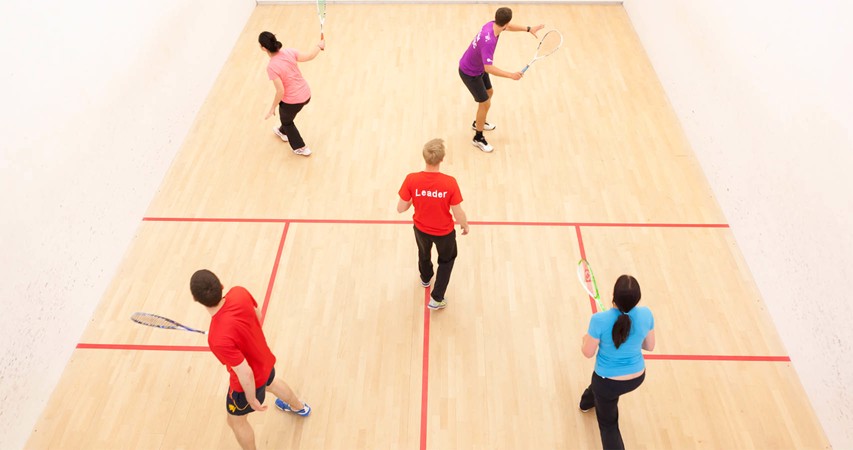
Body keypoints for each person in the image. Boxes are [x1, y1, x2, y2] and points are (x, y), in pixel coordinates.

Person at [190, 269, 310, 450]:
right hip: (264, 360)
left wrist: (251, 397)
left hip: (244, 386)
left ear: (195, 299)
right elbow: (257, 315)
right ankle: (299, 407)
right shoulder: (239, 292)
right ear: (221, 285)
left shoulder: (217, 338)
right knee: (272, 382)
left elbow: (244, 371)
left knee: (235, 422)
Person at [578, 274, 656, 450]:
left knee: (609, 426)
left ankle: (589, 401)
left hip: (607, 382)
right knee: (600, 391)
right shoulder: (646, 314)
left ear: (613, 296)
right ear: (638, 298)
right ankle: (586, 402)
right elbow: (649, 346)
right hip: (636, 377)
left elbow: (587, 353)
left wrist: (585, 339)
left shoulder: (599, 320)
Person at [397, 138, 469, 310]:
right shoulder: (449, 183)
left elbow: (401, 208)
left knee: (423, 252)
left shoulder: (411, 179)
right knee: (446, 260)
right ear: (442, 159)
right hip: (444, 233)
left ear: (424, 157)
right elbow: (457, 212)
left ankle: (425, 277)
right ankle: (436, 298)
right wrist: (464, 224)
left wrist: (415, 198)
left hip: (421, 229)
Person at [458, 7, 544, 153]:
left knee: (489, 92)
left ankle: (478, 122)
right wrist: (511, 75)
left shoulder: (491, 24)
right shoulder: (489, 41)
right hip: (470, 72)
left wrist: (529, 29)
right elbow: (489, 68)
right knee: (484, 102)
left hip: (477, 68)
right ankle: (478, 137)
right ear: (506, 22)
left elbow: (508, 27)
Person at [259, 31, 324, 157]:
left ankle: (300, 147)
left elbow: (280, 91)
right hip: (306, 94)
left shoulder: (271, 67)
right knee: (286, 117)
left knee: (287, 121)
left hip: (293, 101)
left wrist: (272, 107)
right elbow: (310, 56)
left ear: (263, 48)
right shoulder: (289, 52)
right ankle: (281, 131)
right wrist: (319, 46)